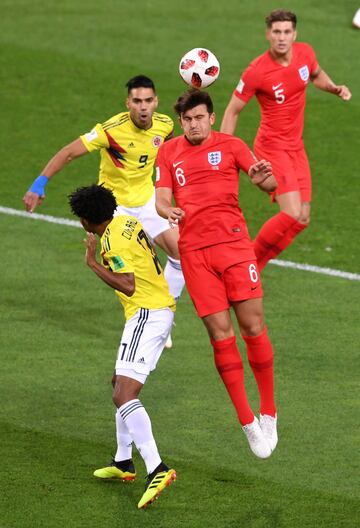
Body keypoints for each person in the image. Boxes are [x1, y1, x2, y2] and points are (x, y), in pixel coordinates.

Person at [155, 89, 278, 459]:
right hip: (195, 254)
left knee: (253, 327)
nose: (193, 125)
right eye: (187, 120)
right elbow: (161, 197)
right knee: (220, 335)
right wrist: (167, 210)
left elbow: (269, 184)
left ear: (211, 117)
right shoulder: (169, 151)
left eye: (199, 118)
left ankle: (269, 412)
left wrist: (264, 177)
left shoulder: (232, 145)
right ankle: (247, 422)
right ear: (181, 122)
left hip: (235, 248)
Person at [23, 75, 184, 345]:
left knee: (181, 254)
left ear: (156, 101)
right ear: (128, 103)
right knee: (131, 271)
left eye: (148, 101)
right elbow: (69, 152)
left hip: (147, 201)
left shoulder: (165, 126)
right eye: (137, 101)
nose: (143, 107)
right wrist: (39, 183)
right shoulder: (110, 130)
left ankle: (164, 314)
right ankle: (142, 319)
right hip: (114, 208)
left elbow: (172, 156)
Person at [68, 184, 176, 509]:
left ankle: (156, 468)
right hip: (157, 308)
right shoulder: (126, 222)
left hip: (146, 313)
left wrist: (92, 263)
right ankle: (123, 462)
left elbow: (128, 284)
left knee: (123, 394)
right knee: (119, 382)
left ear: (88, 220)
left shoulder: (111, 242)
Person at [220, 9, 352, 271]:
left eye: (287, 32)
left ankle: (254, 267)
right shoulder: (257, 71)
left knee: (302, 218)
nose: (282, 37)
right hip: (271, 147)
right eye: (277, 32)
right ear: (268, 34)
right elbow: (232, 110)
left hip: (296, 147)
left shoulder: (305, 53)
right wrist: (224, 150)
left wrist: (334, 87)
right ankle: (247, 267)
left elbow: (316, 74)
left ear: (295, 34)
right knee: (290, 212)